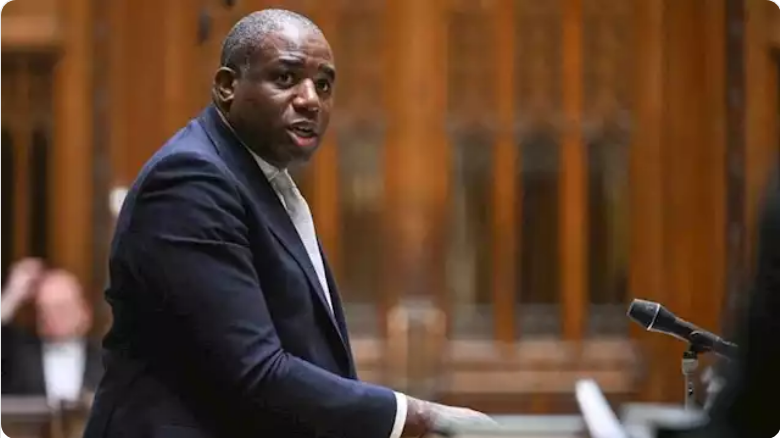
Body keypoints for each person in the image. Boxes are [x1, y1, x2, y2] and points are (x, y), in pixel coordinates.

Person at [82, 9, 494, 438]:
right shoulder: (191, 180)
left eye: (324, 85)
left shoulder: (256, 178)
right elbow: (254, 370)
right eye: (285, 78)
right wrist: (420, 417)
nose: (310, 99)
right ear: (226, 86)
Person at [1, 259, 102, 403]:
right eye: (43, 309)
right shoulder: (18, 355)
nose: (52, 316)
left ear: (85, 312)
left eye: (61, 308)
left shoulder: (108, 359)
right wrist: (12, 295)